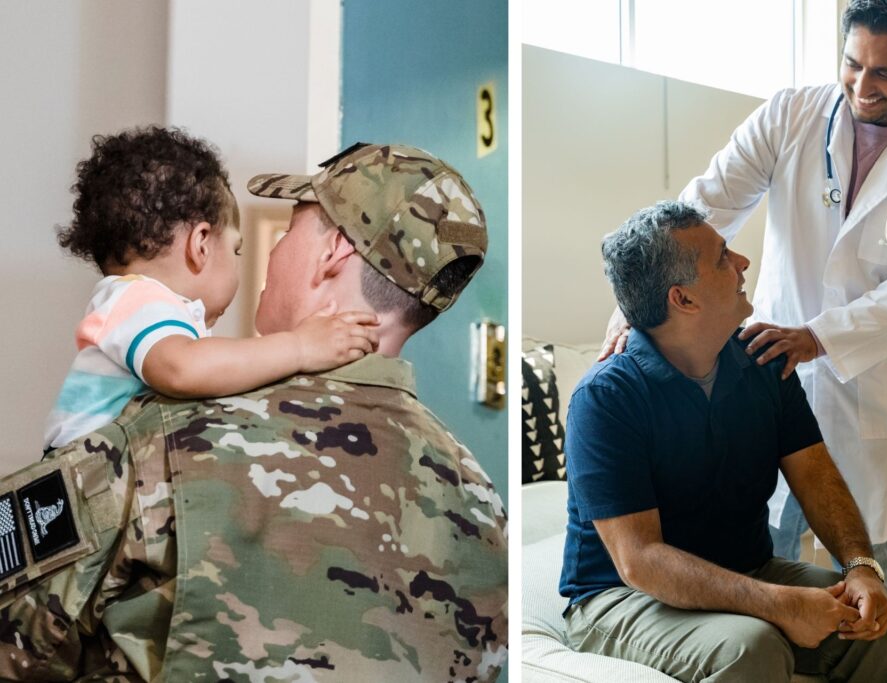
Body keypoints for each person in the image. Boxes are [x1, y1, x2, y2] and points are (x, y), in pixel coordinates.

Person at [0, 142, 508, 681]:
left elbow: (16, 641)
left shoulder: (161, 438)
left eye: (289, 231)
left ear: (333, 251)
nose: (268, 251)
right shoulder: (482, 501)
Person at [603, 0, 887, 590]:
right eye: (852, 64)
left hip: (868, 388)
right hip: (767, 377)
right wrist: (639, 303)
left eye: (885, 73)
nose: (861, 86)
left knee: (864, 570)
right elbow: (706, 207)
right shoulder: (791, 116)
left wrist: (819, 338)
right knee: (754, 559)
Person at [566, 201, 887, 682]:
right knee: (751, 647)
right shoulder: (606, 397)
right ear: (683, 299)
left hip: (749, 569)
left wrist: (860, 568)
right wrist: (779, 604)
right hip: (621, 599)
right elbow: (639, 560)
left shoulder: (765, 362)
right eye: (723, 256)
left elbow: (816, 476)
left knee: (880, 625)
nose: (743, 263)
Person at [44, 127, 379, 451]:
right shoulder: (134, 299)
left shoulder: (138, 306)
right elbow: (181, 370)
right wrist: (301, 347)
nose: (240, 263)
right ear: (201, 244)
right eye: (236, 249)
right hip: (73, 487)